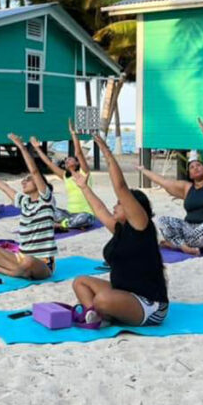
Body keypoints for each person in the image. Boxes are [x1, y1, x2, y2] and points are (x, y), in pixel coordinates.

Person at [72, 135, 169, 328]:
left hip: (150, 304)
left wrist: (108, 154)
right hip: (124, 293)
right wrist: (84, 187)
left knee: (102, 300)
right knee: (80, 282)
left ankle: (99, 311)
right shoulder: (120, 229)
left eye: (120, 203)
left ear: (133, 208)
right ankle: (96, 315)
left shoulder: (142, 226)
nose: (115, 206)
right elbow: (99, 209)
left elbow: (120, 187)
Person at [138, 117, 203, 256]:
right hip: (190, 228)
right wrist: (143, 170)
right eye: (192, 167)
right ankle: (184, 246)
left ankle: (178, 244)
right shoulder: (187, 188)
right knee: (163, 221)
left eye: (198, 165)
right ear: (189, 174)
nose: (195, 168)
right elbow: (163, 181)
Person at [0, 133, 57, 279]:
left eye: (28, 180)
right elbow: (5, 187)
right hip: (21, 257)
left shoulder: (46, 201)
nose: (23, 182)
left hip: (42, 262)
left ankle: (10, 271)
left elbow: (34, 171)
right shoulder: (25, 201)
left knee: (27, 262)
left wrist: (22, 147)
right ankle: (19, 271)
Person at [29, 119, 95, 231]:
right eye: (66, 160)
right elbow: (49, 162)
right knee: (49, 210)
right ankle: (68, 223)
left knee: (84, 218)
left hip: (85, 213)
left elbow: (78, 152)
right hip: (69, 214)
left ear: (77, 163)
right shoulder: (65, 175)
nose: (67, 161)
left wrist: (73, 134)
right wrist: (37, 148)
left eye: (70, 159)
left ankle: (62, 225)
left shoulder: (85, 172)